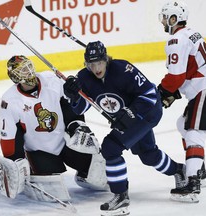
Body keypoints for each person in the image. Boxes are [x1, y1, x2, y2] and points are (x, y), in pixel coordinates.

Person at [63, 41, 187, 216]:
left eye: (99, 63)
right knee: (147, 154)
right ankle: (179, 171)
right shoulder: (84, 78)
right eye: (92, 64)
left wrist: (130, 113)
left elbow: (150, 94)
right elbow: (80, 108)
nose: (96, 68)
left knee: (110, 148)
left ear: (106, 60)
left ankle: (121, 197)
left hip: (148, 111)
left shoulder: (123, 70)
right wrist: (73, 95)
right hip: (127, 118)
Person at [0, 55, 108, 202]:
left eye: (29, 66)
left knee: (100, 177)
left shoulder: (50, 80)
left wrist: (76, 122)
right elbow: (10, 136)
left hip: (64, 142)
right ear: (14, 76)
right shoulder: (9, 100)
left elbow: (70, 104)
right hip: (39, 152)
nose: (29, 71)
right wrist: (14, 161)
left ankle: (82, 176)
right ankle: (31, 170)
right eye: (23, 70)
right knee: (55, 194)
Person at [157, 1, 206, 203]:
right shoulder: (191, 33)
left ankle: (192, 184)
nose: (163, 21)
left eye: (165, 17)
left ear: (174, 19)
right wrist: (173, 93)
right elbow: (191, 70)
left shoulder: (176, 40)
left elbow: (176, 77)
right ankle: (198, 169)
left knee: (194, 133)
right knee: (183, 124)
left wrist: (161, 91)